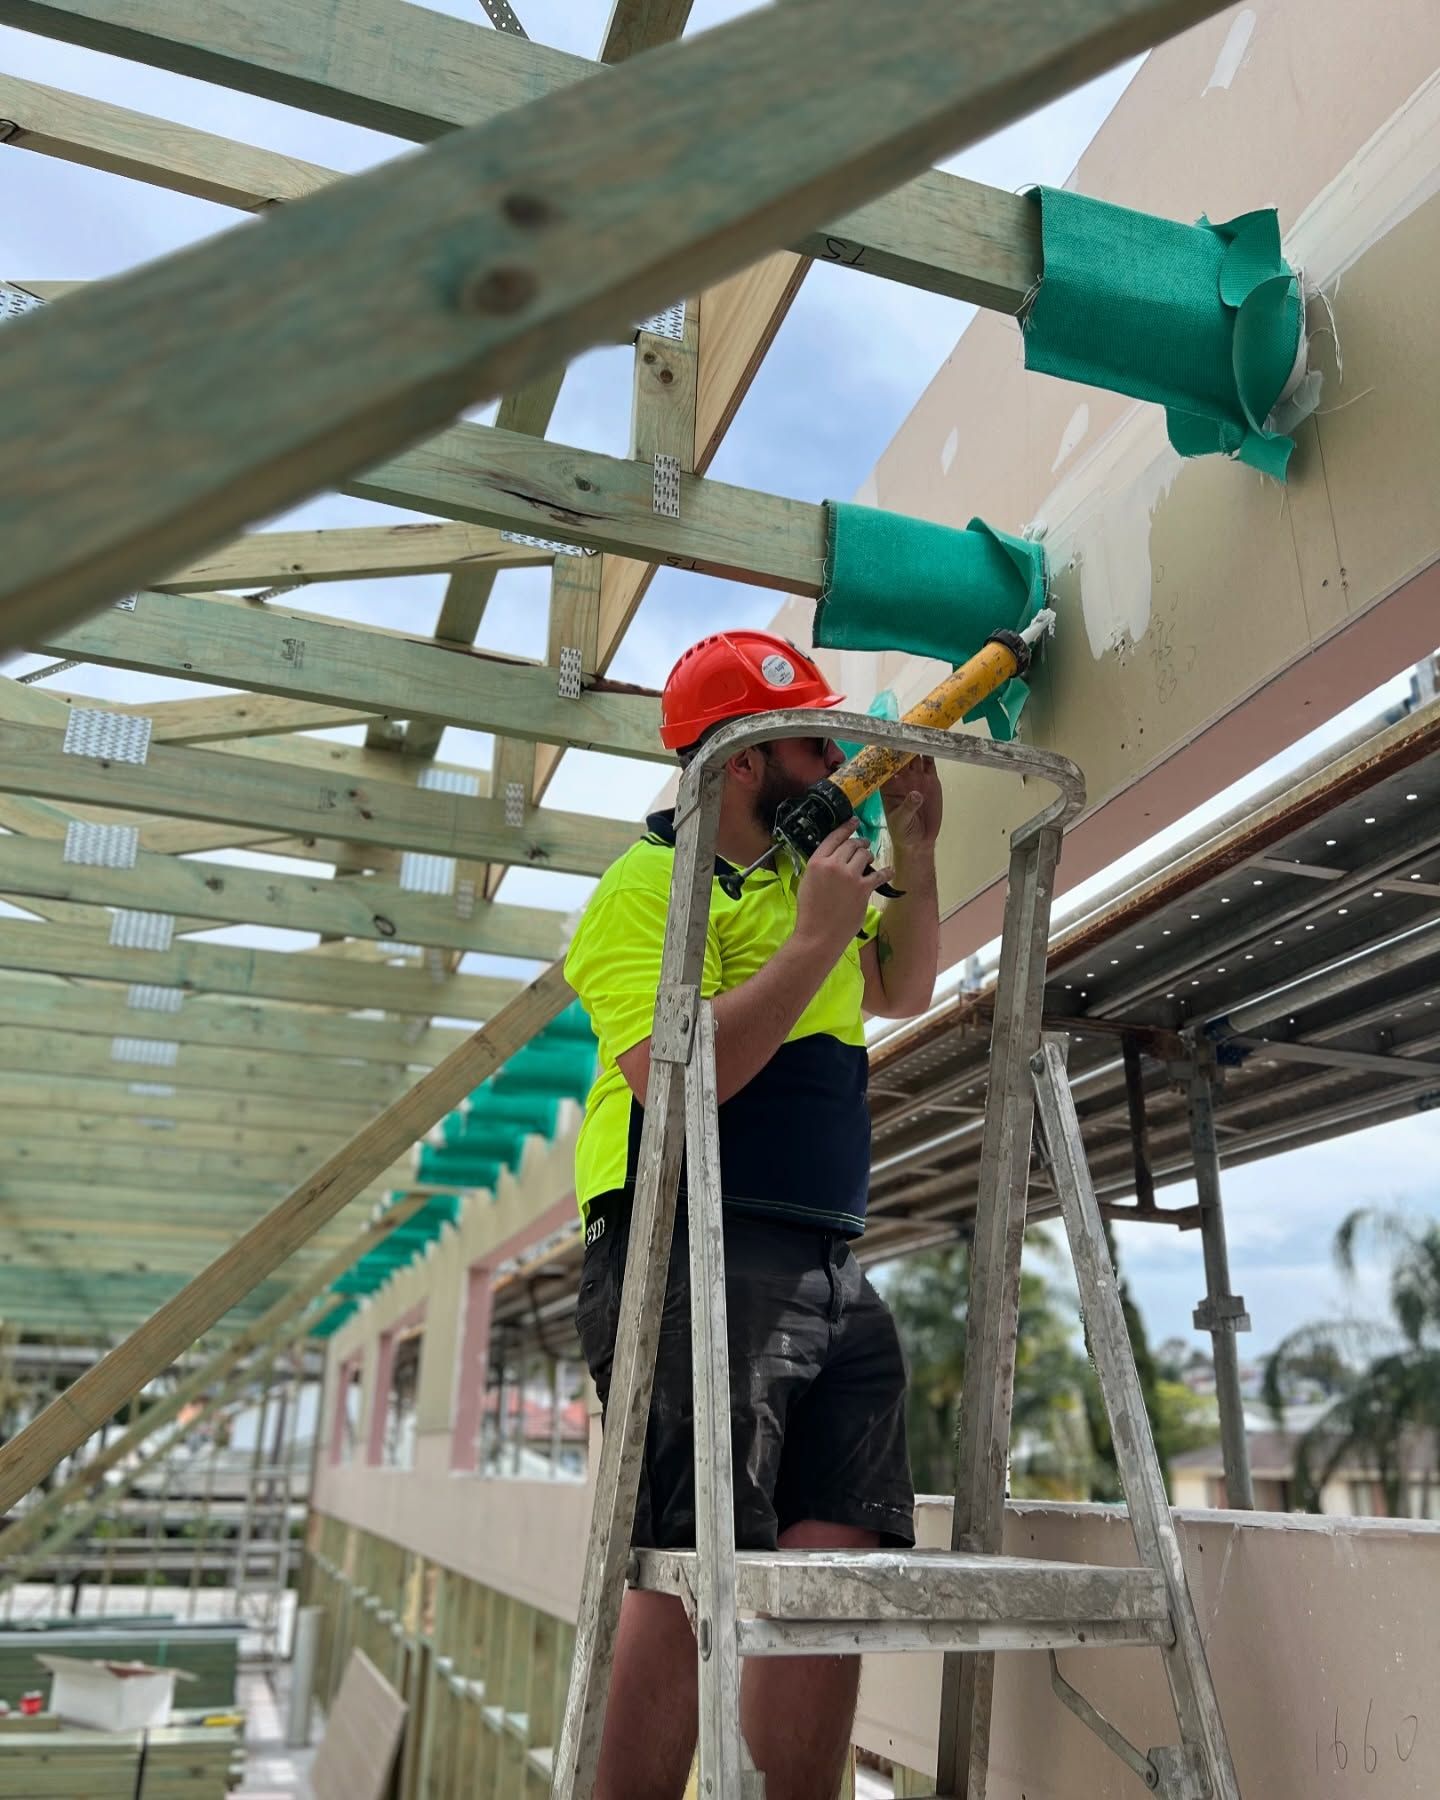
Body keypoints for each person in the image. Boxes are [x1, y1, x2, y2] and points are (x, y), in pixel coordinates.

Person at [564, 629, 942, 1800]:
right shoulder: (644, 888)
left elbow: (902, 986)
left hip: (824, 1250)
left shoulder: (796, 876)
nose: (840, 766)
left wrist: (918, 854)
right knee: (690, 1556)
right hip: (685, 1245)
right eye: (817, 745)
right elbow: (680, 1082)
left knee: (838, 1546)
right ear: (743, 761)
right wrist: (820, 934)